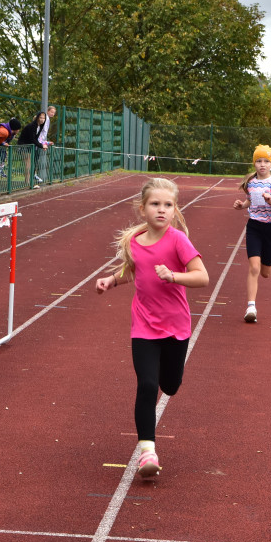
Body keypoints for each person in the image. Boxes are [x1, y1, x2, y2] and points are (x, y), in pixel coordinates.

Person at [94, 178, 209, 478]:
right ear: (142, 208)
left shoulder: (177, 240)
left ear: (175, 209)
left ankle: (165, 381)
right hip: (143, 325)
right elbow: (132, 269)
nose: (162, 210)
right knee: (147, 385)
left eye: (168, 205)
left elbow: (202, 277)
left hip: (176, 325)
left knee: (169, 385)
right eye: (155, 204)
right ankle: (147, 452)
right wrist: (112, 280)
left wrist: (173, 276)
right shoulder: (134, 241)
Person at [232, 144, 271, 322]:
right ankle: (251, 307)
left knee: (266, 273)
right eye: (259, 161)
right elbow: (250, 201)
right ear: (254, 164)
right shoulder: (251, 182)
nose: (262, 164)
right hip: (254, 226)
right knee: (254, 267)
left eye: (266, 161)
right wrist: (242, 205)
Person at [18, 111, 45, 187]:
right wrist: (41, 146)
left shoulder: (39, 127)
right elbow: (32, 139)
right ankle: (27, 182)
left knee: (31, 164)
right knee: (28, 164)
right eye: (41, 117)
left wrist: (41, 145)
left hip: (30, 146)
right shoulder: (32, 126)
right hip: (24, 146)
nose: (42, 119)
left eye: (44, 118)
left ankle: (29, 181)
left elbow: (35, 139)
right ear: (37, 118)